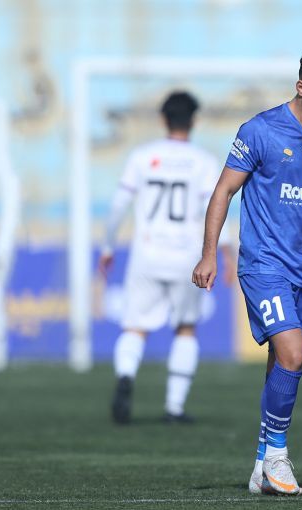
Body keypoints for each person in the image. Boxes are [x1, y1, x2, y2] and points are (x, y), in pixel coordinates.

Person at [192, 46, 302, 496]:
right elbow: (223, 192)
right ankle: (277, 457)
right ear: (301, 87)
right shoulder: (260, 131)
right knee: (292, 353)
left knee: (284, 363)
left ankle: (260, 468)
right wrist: (210, 254)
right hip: (263, 264)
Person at [100, 91, 234, 425]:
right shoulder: (203, 162)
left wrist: (107, 247)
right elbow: (215, 208)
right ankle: (174, 407)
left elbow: (118, 205)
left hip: (146, 254)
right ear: (194, 121)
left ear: (163, 120)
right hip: (186, 257)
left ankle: (126, 376)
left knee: (134, 326)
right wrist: (227, 252)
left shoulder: (142, 157)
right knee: (186, 328)